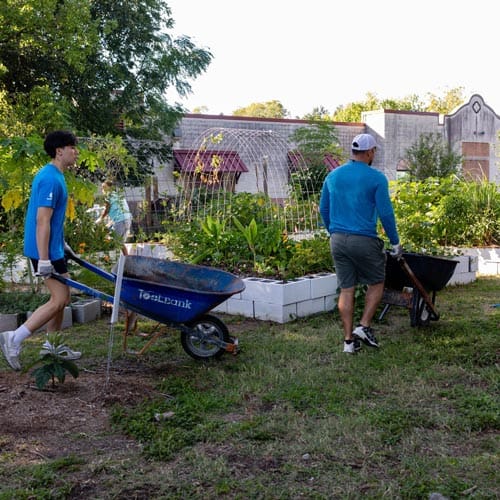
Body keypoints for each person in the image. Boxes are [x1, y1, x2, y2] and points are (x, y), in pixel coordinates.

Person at [0, 130, 82, 370]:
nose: (75, 152)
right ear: (59, 151)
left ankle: (52, 345)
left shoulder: (57, 175)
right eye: (72, 148)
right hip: (42, 251)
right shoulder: (49, 178)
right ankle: (14, 338)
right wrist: (44, 258)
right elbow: (42, 220)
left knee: (63, 297)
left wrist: (62, 243)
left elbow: (54, 220)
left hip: (53, 249)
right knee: (58, 299)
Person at [319, 133, 402, 354]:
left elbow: (323, 210)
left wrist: (333, 231)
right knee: (376, 282)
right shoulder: (376, 178)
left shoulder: (333, 176)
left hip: (337, 239)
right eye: (374, 151)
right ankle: (364, 326)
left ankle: (348, 342)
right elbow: (385, 213)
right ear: (370, 152)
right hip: (364, 239)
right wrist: (395, 242)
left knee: (346, 288)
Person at [96, 180, 132, 255]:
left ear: (110, 188)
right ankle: (126, 259)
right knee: (120, 243)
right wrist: (109, 224)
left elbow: (107, 209)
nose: (103, 190)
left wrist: (100, 218)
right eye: (102, 188)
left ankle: (114, 261)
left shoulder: (109, 195)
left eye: (104, 187)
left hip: (120, 220)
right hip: (127, 219)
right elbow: (117, 211)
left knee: (115, 242)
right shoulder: (118, 195)